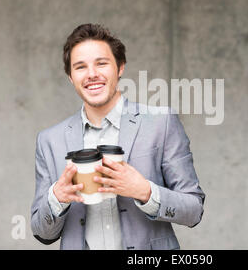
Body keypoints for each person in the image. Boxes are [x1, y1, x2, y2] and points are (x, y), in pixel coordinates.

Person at [30, 23, 205, 250]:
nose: (92, 74)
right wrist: (57, 197)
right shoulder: (49, 140)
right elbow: (41, 232)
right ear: (70, 77)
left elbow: (193, 209)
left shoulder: (161, 123)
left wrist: (144, 191)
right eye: (80, 67)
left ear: (120, 67)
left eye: (101, 63)